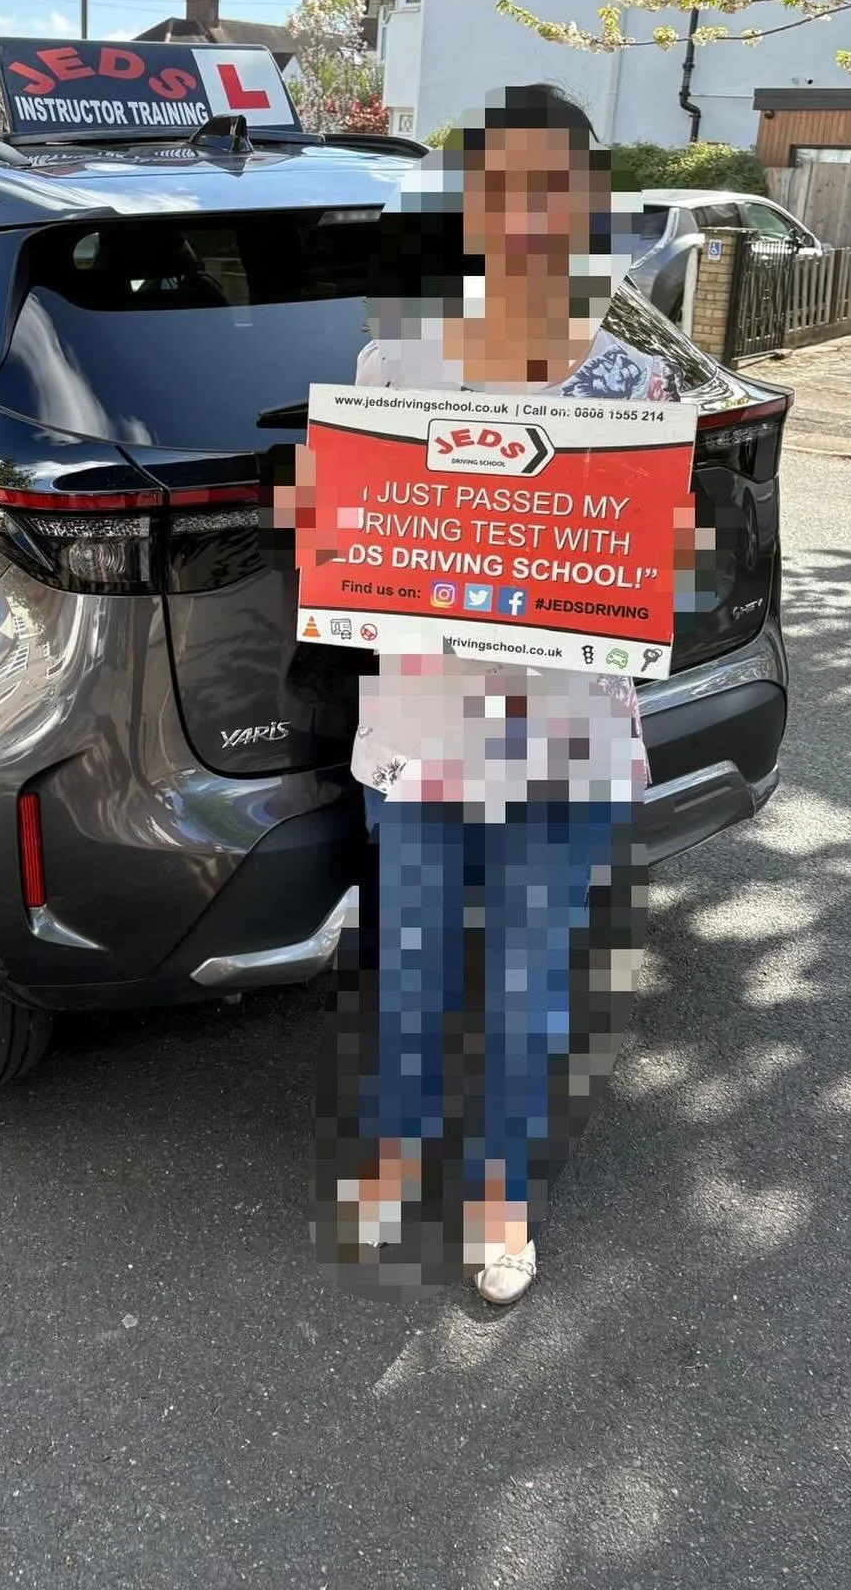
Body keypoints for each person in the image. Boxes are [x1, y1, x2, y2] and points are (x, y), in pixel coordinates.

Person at [309, 85, 683, 1305]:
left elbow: (658, 571)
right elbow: (346, 533)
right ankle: (399, 1160)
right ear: (474, 207)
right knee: (410, 978)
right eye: (501, 189)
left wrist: (665, 551)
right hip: (424, 741)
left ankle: (500, 1195)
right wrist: (315, 519)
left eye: (551, 191)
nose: (525, 218)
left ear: (589, 208)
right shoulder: (396, 366)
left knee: (528, 993)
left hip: (570, 746)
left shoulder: (634, 385)